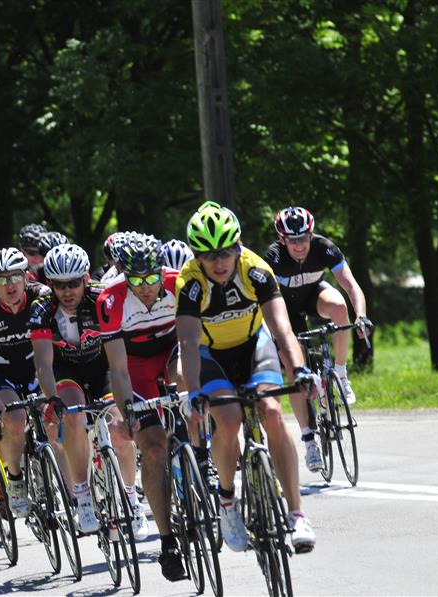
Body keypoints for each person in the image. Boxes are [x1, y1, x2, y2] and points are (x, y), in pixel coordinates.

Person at [175, 201, 317, 554]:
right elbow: (188, 343)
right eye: (209, 256)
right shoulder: (189, 283)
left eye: (226, 252)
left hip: (254, 346)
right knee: (228, 418)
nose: (219, 262)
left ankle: (297, 514)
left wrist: (300, 370)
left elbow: (282, 329)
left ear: (238, 246)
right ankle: (227, 501)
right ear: (197, 257)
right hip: (211, 357)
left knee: (272, 412)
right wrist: (194, 392)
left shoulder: (255, 270)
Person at [28, 243, 137, 534]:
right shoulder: (42, 308)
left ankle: (130, 495)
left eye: (74, 283)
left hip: (102, 367)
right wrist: (51, 399)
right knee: (73, 417)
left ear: (86, 278)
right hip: (66, 371)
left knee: (119, 429)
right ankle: (82, 493)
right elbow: (43, 363)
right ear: (50, 284)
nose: (67, 291)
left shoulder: (102, 298)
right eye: (59, 285)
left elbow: (120, 353)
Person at [97, 233, 187, 580]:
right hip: (135, 369)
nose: (146, 287)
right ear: (124, 276)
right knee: (152, 448)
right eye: (136, 281)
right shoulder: (111, 300)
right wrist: (129, 412)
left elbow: (193, 341)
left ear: (161, 271)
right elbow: (118, 370)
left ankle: (200, 453)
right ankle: (168, 540)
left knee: (188, 380)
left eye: (152, 278)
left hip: (173, 353)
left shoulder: (178, 283)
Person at [264, 206, 374, 472]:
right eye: (293, 240)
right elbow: (264, 301)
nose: (300, 245)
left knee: (339, 308)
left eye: (304, 238)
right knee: (294, 366)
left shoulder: (324, 247)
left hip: (314, 296)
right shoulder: (273, 258)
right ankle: (309, 440)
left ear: (311, 234)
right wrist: (276, 336)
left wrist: (361, 316)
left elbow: (351, 285)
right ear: (282, 239)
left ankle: (340, 373)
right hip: (285, 309)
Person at [0, 247, 51, 517]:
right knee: (15, 420)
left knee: (53, 416)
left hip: (35, 364)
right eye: (2, 280)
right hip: (1, 370)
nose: (10, 285)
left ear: (26, 276)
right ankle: (15, 479)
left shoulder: (42, 296)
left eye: (15, 277)